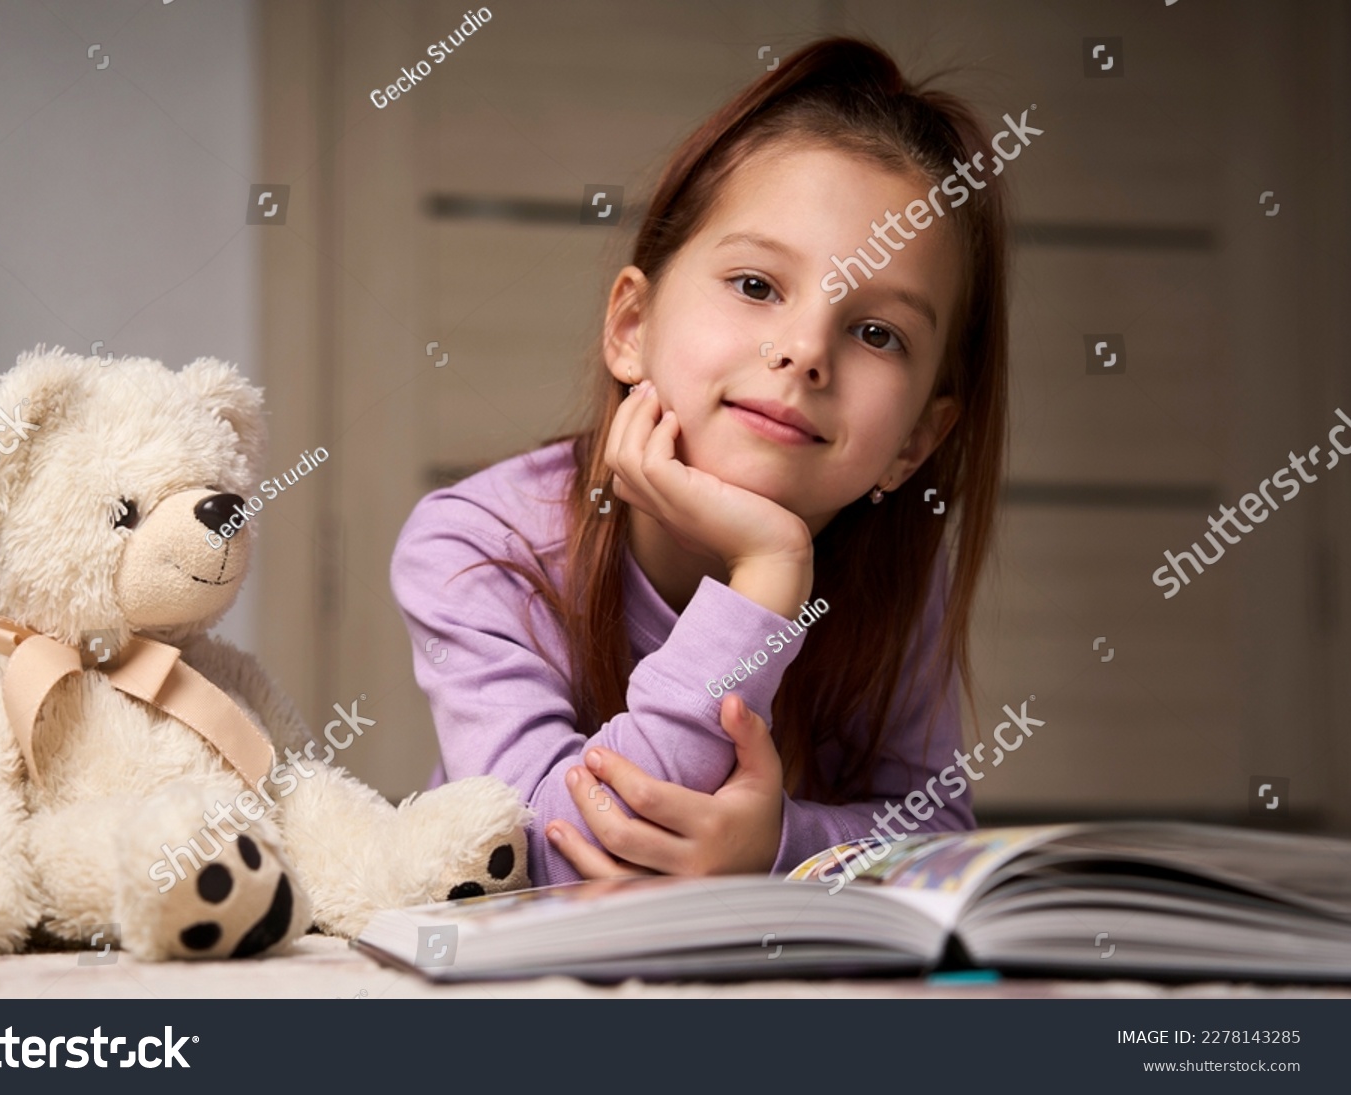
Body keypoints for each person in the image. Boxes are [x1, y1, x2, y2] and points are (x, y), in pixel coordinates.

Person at [390, 36, 1009, 886]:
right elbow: (557, 854)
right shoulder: (476, 544)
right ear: (631, 328)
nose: (803, 351)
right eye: (757, 285)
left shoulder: (894, 569)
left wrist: (777, 843)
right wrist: (764, 575)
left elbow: (940, 839)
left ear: (914, 441)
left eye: (877, 332)